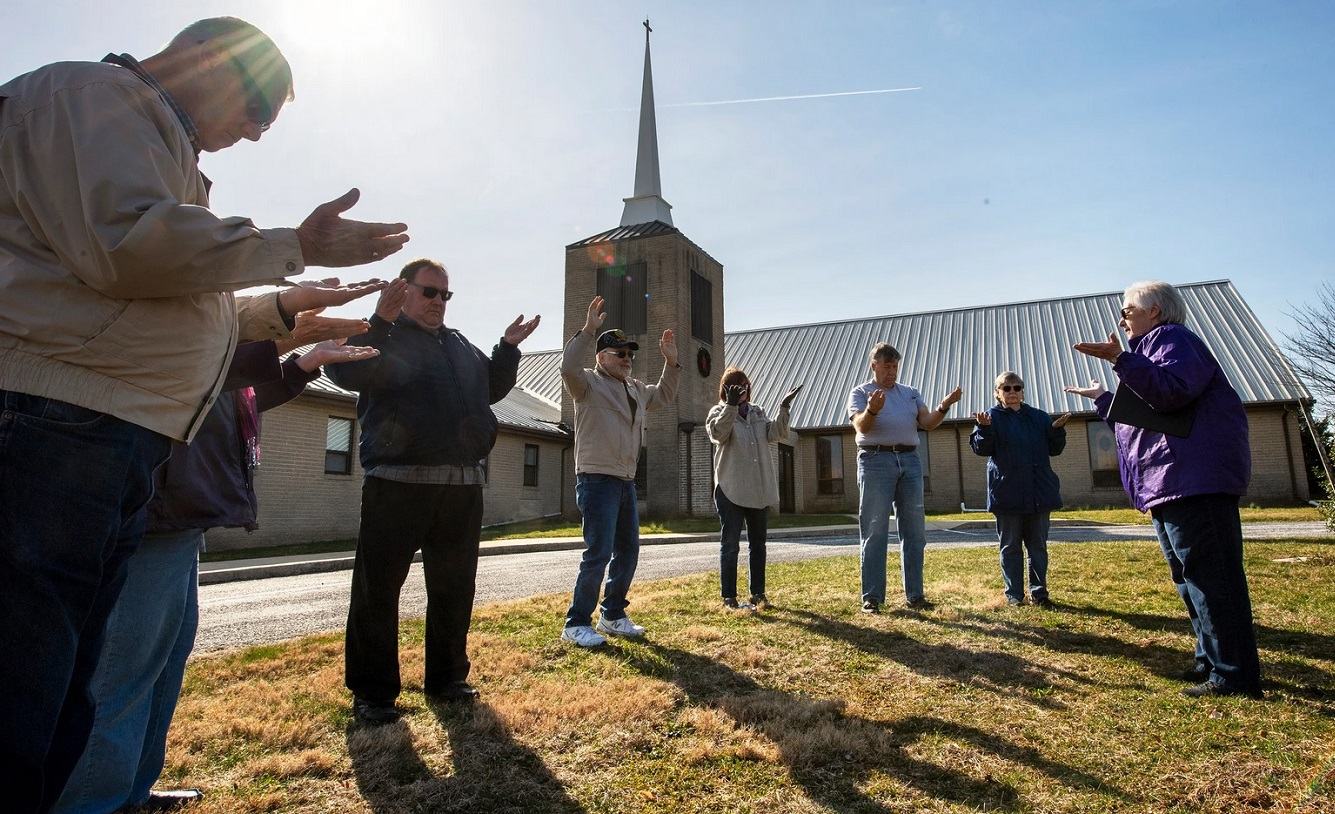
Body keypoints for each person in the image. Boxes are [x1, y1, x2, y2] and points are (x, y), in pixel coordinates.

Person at [0, 17, 407, 811]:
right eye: (257, 112)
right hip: (54, 420)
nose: (255, 136)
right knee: (25, 690)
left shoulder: (148, 135)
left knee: (67, 688)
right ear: (204, 59)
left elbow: (164, 290)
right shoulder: (94, 96)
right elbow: (132, 248)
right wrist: (294, 245)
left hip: (101, 431)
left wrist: (277, 310)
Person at [54, 337, 377, 814]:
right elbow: (203, 369)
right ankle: (92, 803)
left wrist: (302, 364)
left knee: (164, 664)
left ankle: (133, 793)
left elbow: (239, 396)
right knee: (122, 670)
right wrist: (280, 330)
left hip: (183, 514)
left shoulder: (219, 339)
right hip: (152, 510)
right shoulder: (181, 324)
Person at [327, 259, 540, 725]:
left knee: (453, 588)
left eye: (445, 295)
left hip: (460, 489)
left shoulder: (458, 344)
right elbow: (345, 374)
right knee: (378, 593)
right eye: (429, 293)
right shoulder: (381, 334)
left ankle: (446, 679)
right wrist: (378, 323)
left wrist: (506, 348)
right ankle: (374, 694)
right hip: (397, 485)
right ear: (403, 291)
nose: (438, 303)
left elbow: (491, 388)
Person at [1065, 280, 1262, 699]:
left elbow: (1171, 394)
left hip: (1193, 481)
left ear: (1155, 311)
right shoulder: (1147, 354)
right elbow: (1143, 418)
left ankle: (1234, 675)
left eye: (1128, 308)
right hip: (1170, 483)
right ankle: (1210, 661)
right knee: (1189, 577)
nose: (1121, 317)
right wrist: (1104, 399)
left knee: (1211, 577)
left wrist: (1119, 358)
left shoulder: (1173, 339)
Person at [559, 296, 679, 647]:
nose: (628, 360)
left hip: (625, 480)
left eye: (630, 354)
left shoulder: (635, 389)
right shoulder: (586, 383)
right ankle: (577, 622)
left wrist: (671, 363)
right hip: (596, 479)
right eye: (620, 354)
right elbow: (567, 367)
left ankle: (612, 615)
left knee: (628, 550)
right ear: (601, 357)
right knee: (598, 552)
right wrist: (588, 331)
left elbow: (665, 397)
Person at [847, 343, 962, 613]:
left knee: (914, 532)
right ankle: (872, 598)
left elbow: (928, 423)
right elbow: (861, 426)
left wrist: (944, 405)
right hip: (875, 460)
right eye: (886, 366)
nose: (892, 372)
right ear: (873, 365)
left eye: (895, 366)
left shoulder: (910, 393)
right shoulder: (861, 393)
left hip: (910, 461)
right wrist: (872, 410)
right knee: (874, 531)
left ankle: (915, 595)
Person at [969, 372, 1070, 607]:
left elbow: (1055, 450)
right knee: (1010, 546)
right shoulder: (989, 418)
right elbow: (981, 449)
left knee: (1038, 546)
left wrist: (1057, 431)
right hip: (1007, 493)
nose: (1012, 392)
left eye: (1017, 387)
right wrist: (983, 429)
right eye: (1006, 388)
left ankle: (1039, 593)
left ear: (1023, 391)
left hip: (1038, 492)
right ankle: (1014, 594)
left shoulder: (1039, 417)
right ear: (997, 393)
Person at [705, 368, 799, 611]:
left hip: (757, 489)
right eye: (737, 385)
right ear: (727, 389)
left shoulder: (758, 412)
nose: (743, 389)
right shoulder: (717, 412)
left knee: (758, 544)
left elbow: (776, 433)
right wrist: (731, 406)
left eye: (745, 385)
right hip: (731, 488)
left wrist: (784, 408)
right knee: (731, 544)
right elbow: (719, 435)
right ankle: (729, 596)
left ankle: (758, 593)